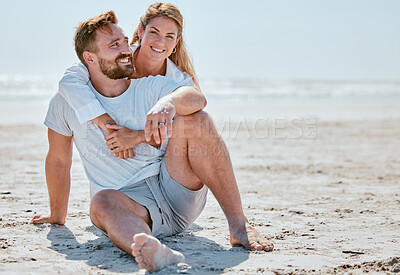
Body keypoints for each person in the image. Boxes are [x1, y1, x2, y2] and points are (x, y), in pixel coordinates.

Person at [30, 9, 274, 273]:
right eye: (115, 45)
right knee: (101, 202)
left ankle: (238, 224)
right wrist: (57, 215)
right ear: (89, 58)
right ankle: (156, 251)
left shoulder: (154, 86)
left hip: (174, 190)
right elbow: (57, 159)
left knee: (198, 119)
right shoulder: (69, 99)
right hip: (129, 204)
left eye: (124, 41)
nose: (127, 50)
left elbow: (197, 98)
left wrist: (163, 109)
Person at [58, 2, 198, 160]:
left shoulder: (179, 81)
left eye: (169, 36)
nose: (160, 42)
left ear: (176, 42)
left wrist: (137, 136)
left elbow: (187, 129)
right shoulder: (118, 57)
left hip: (160, 162)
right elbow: (69, 80)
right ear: (140, 31)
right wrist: (107, 124)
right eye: (154, 32)